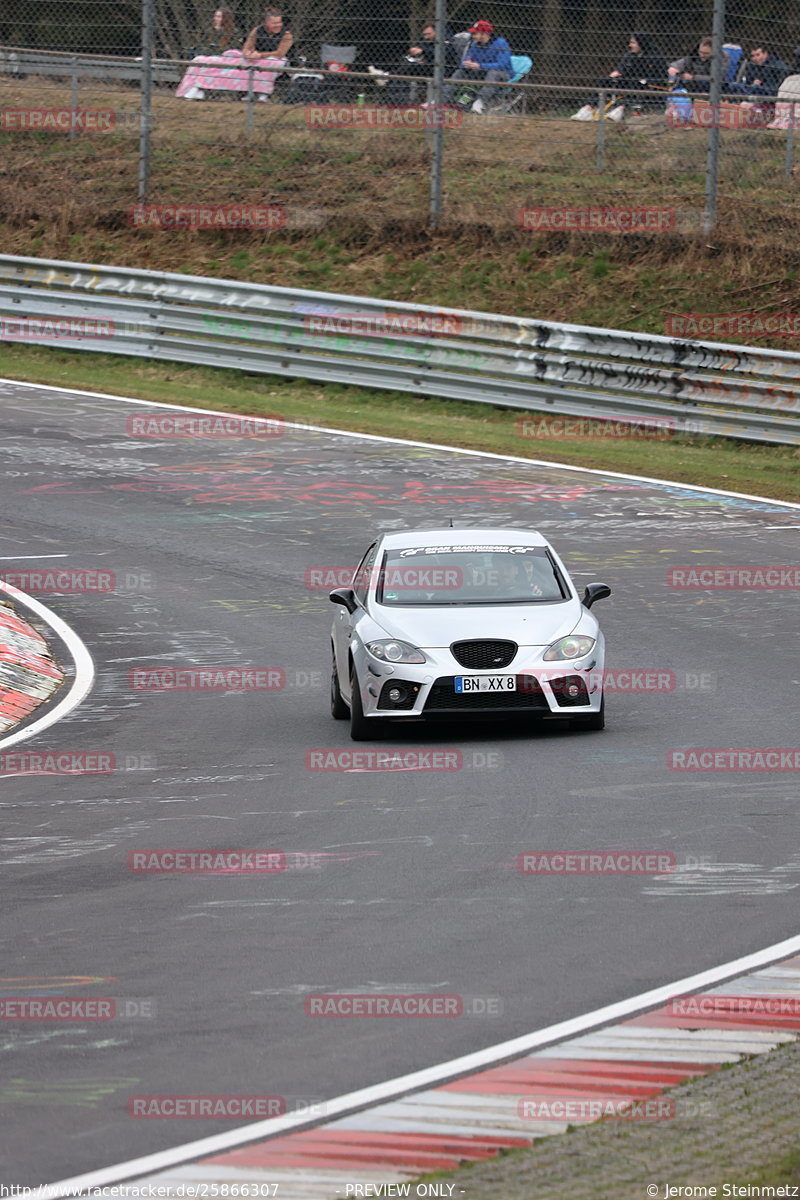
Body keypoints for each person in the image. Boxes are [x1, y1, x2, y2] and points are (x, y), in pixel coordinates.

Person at [571, 31, 667, 122]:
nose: (630, 45)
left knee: (636, 84)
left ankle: (620, 109)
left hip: (649, 86)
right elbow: (621, 70)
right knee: (605, 81)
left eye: (633, 43)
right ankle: (588, 108)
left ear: (642, 43)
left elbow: (654, 76)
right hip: (629, 81)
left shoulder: (655, 56)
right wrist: (616, 74)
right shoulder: (629, 55)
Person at [372, 22, 461, 104]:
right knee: (407, 65)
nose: (426, 37)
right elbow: (427, 53)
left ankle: (387, 77)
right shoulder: (427, 41)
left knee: (410, 67)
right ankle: (390, 90)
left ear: (437, 32)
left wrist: (423, 52)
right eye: (425, 34)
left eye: (429, 34)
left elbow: (442, 53)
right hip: (429, 67)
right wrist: (419, 56)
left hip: (444, 70)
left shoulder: (446, 40)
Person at [441, 19, 512, 113]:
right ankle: (441, 101)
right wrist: (467, 64)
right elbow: (464, 61)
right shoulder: (474, 44)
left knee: (493, 73)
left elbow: (502, 65)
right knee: (460, 72)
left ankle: (480, 103)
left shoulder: (500, 43)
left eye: (475, 33)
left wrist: (480, 66)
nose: (472, 36)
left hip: (502, 75)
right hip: (481, 73)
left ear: (484, 33)